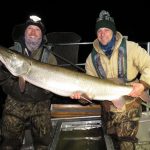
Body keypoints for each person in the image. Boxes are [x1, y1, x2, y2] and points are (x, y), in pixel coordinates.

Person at [70, 10, 150, 150]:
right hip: (107, 110)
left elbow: (148, 65)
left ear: (113, 31)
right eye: (99, 31)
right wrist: (80, 97)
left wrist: (143, 85)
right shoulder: (91, 59)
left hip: (129, 108)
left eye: (106, 30)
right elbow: (88, 91)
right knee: (111, 143)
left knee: (126, 144)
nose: (103, 34)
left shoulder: (131, 48)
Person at [0, 15, 57, 150]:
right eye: (29, 29)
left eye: (37, 30)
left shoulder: (50, 57)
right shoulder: (12, 52)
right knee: (8, 143)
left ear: (41, 35)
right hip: (15, 102)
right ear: (24, 33)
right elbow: (3, 81)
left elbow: (50, 92)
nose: (32, 32)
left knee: (44, 142)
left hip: (40, 103)